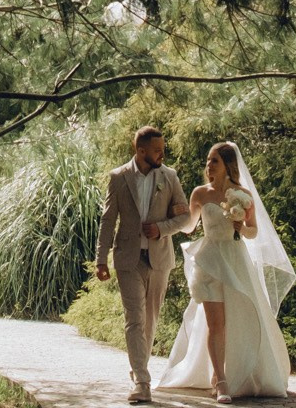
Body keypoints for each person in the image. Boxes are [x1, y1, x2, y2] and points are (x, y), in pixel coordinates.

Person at [155, 141, 295, 401]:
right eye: (208, 160)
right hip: (208, 261)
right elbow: (188, 226)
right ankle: (221, 381)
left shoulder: (242, 194)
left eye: (214, 161)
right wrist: (172, 215)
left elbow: (253, 232)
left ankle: (240, 371)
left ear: (228, 165)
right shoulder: (200, 193)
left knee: (237, 319)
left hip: (235, 261)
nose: (209, 165)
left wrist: (240, 225)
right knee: (215, 323)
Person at [96, 126, 194, 403]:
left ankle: (139, 369)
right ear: (141, 151)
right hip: (128, 258)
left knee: (149, 321)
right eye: (157, 149)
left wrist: (161, 229)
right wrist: (101, 259)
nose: (162, 153)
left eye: (162, 149)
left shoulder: (170, 176)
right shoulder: (118, 177)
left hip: (159, 258)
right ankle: (142, 381)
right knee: (135, 320)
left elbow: (185, 217)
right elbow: (107, 220)